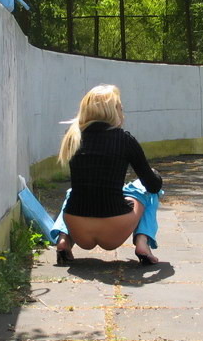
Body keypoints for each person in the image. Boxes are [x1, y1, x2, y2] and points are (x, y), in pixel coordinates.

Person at [51, 85, 163, 265]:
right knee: (146, 190)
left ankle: (64, 239)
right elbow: (152, 185)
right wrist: (156, 175)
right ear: (113, 111)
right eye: (120, 108)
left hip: (77, 225)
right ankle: (143, 242)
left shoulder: (72, 137)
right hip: (114, 227)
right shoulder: (125, 140)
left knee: (72, 192)